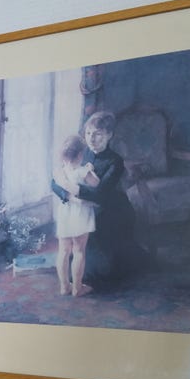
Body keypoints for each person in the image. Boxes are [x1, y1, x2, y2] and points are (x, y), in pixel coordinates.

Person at [52, 111, 141, 290]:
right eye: (88, 133)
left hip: (110, 210)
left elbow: (100, 194)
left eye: (98, 134)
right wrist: (68, 196)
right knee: (70, 253)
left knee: (104, 271)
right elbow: (54, 182)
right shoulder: (80, 152)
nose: (92, 138)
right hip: (81, 207)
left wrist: (71, 188)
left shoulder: (115, 161)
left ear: (109, 135)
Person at [54, 135, 100, 297]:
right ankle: (77, 288)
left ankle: (64, 286)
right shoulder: (83, 172)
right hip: (80, 214)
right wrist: (91, 169)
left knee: (63, 251)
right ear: (80, 154)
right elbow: (96, 183)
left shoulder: (60, 172)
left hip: (65, 214)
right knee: (79, 251)